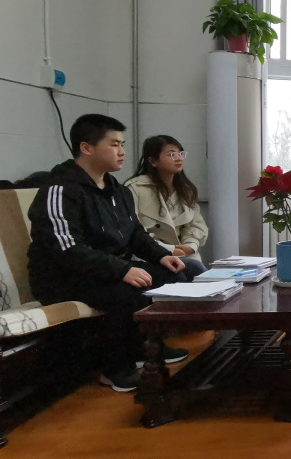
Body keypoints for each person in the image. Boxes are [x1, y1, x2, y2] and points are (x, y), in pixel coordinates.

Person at [27, 114, 189, 393]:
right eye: (114, 144)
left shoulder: (117, 190)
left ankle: (146, 348)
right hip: (63, 278)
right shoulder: (60, 189)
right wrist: (122, 269)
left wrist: (160, 256)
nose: (122, 151)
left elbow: (135, 234)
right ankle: (115, 367)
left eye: (122, 144)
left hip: (106, 269)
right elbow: (67, 249)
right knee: (126, 291)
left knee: (175, 274)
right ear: (87, 147)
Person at [126, 135, 209, 280]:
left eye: (181, 153)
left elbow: (196, 225)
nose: (179, 158)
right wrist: (171, 250)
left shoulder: (186, 189)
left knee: (200, 272)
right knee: (190, 271)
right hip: (150, 256)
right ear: (153, 161)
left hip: (186, 253)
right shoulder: (135, 188)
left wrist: (190, 245)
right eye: (171, 154)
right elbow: (134, 231)